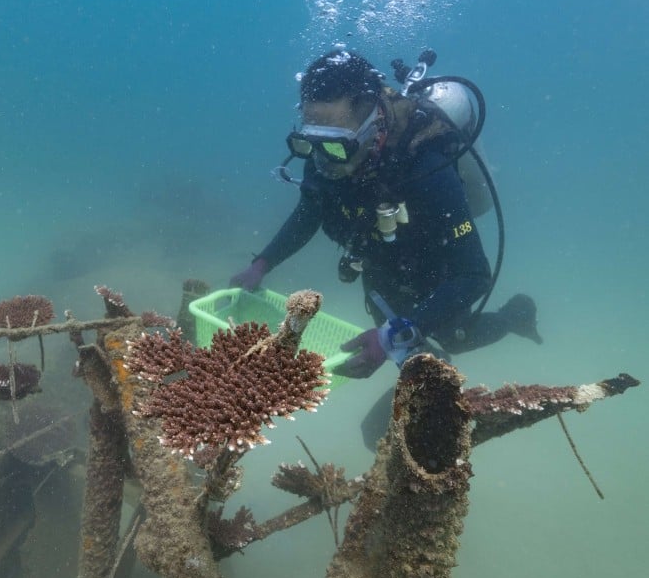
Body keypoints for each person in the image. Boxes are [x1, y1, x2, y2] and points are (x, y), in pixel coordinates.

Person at [230, 49, 541, 380]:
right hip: (377, 260)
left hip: (434, 265)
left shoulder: (426, 166)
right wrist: (261, 265)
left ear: (373, 124)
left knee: (453, 337)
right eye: (311, 143)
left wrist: (391, 336)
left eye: (335, 145)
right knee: (398, 346)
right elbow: (310, 212)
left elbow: (474, 275)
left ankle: (515, 316)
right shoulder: (327, 150)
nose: (322, 161)